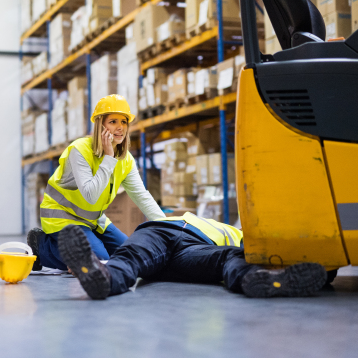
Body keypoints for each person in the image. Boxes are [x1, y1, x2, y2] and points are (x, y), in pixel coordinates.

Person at [27, 94, 165, 271]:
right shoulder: (80, 150)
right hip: (62, 217)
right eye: (113, 121)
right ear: (101, 125)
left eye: (124, 122)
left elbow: (141, 195)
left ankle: (82, 249)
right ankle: (42, 246)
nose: (120, 127)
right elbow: (91, 196)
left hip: (92, 219)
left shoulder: (126, 159)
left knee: (130, 254)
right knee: (97, 261)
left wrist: (166, 226)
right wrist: (108, 157)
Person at [56, 212, 328, 299]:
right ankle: (99, 275)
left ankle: (263, 279)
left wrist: (325, 269)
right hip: (163, 231)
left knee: (232, 258)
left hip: (191, 249)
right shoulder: (230, 230)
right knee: (130, 255)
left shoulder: (247, 239)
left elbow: (284, 251)